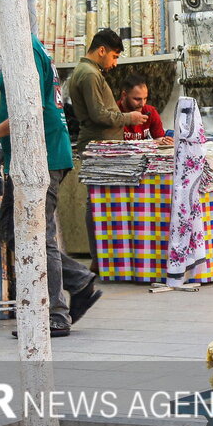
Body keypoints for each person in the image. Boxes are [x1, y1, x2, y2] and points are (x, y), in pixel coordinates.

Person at [0, 0, 99, 337]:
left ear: (6, 14)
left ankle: (56, 313)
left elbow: (31, 110)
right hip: (35, 154)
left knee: (35, 235)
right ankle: (78, 280)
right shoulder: (26, 47)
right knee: (14, 227)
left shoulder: (24, 50)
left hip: (40, 157)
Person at [64, 29, 146, 268]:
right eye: (114, 56)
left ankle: (105, 258)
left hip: (102, 145)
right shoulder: (89, 75)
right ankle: (100, 259)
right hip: (99, 145)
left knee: (102, 200)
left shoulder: (88, 72)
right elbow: (99, 114)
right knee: (98, 201)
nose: (114, 63)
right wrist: (128, 118)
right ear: (102, 50)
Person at [117, 75, 172, 145]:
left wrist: (166, 142)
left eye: (145, 98)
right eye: (137, 99)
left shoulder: (150, 111)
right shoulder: (113, 113)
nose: (142, 104)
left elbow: (159, 138)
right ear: (124, 95)